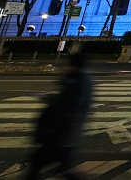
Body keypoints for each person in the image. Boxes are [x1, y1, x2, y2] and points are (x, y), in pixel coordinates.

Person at [26, 52, 93, 180]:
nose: (63, 67)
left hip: (62, 133)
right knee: (62, 168)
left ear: (74, 65)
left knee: (37, 163)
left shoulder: (78, 82)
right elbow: (65, 101)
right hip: (65, 133)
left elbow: (68, 106)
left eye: (66, 64)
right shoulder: (76, 79)